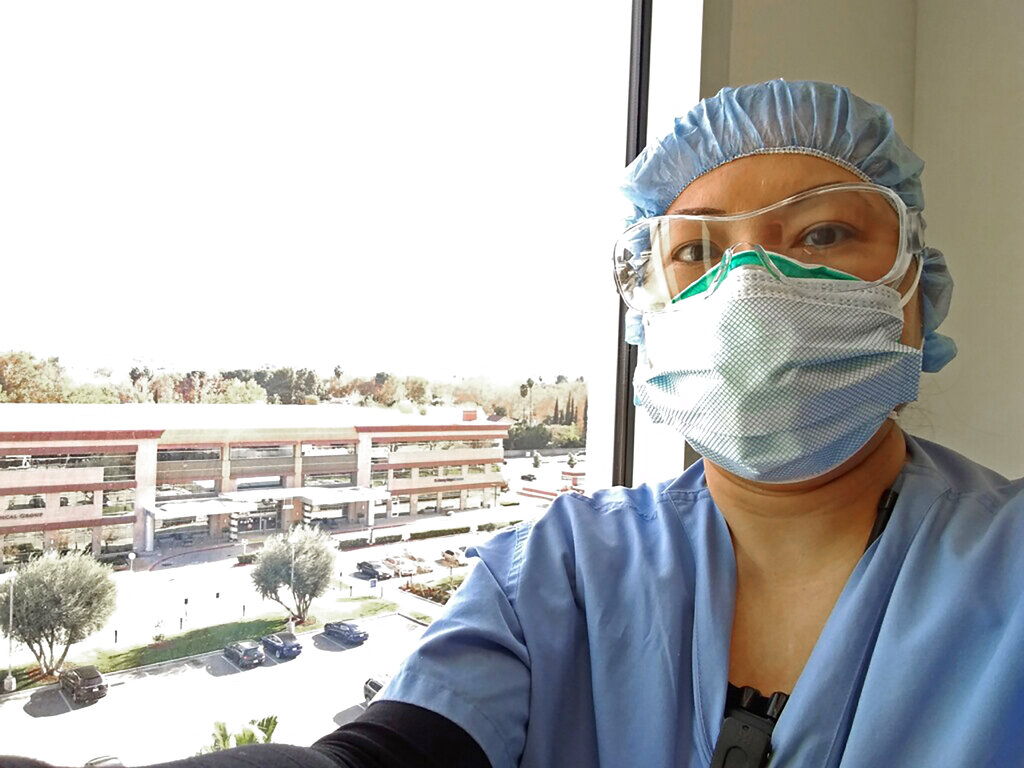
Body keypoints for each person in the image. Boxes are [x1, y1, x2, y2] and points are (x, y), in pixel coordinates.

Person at [5, 79, 1024, 768]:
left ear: (913, 296)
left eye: (824, 232)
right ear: (648, 317)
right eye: (696, 255)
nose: (753, 285)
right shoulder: (552, 573)